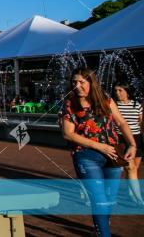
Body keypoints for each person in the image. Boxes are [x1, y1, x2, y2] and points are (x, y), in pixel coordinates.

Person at [62, 69, 136, 236]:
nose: (77, 86)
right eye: (74, 82)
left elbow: (121, 123)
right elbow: (68, 134)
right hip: (86, 156)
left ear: (91, 83)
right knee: (99, 199)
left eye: (81, 82)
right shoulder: (70, 104)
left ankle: (101, 225)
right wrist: (98, 146)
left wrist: (132, 144)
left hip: (113, 155)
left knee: (109, 199)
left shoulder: (105, 100)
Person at [113, 82, 143, 205]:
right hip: (121, 139)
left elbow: (140, 122)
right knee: (129, 168)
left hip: (136, 139)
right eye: (115, 90)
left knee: (134, 169)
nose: (117, 93)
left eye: (120, 90)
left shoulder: (137, 105)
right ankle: (139, 199)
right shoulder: (114, 106)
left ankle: (130, 194)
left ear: (127, 91)